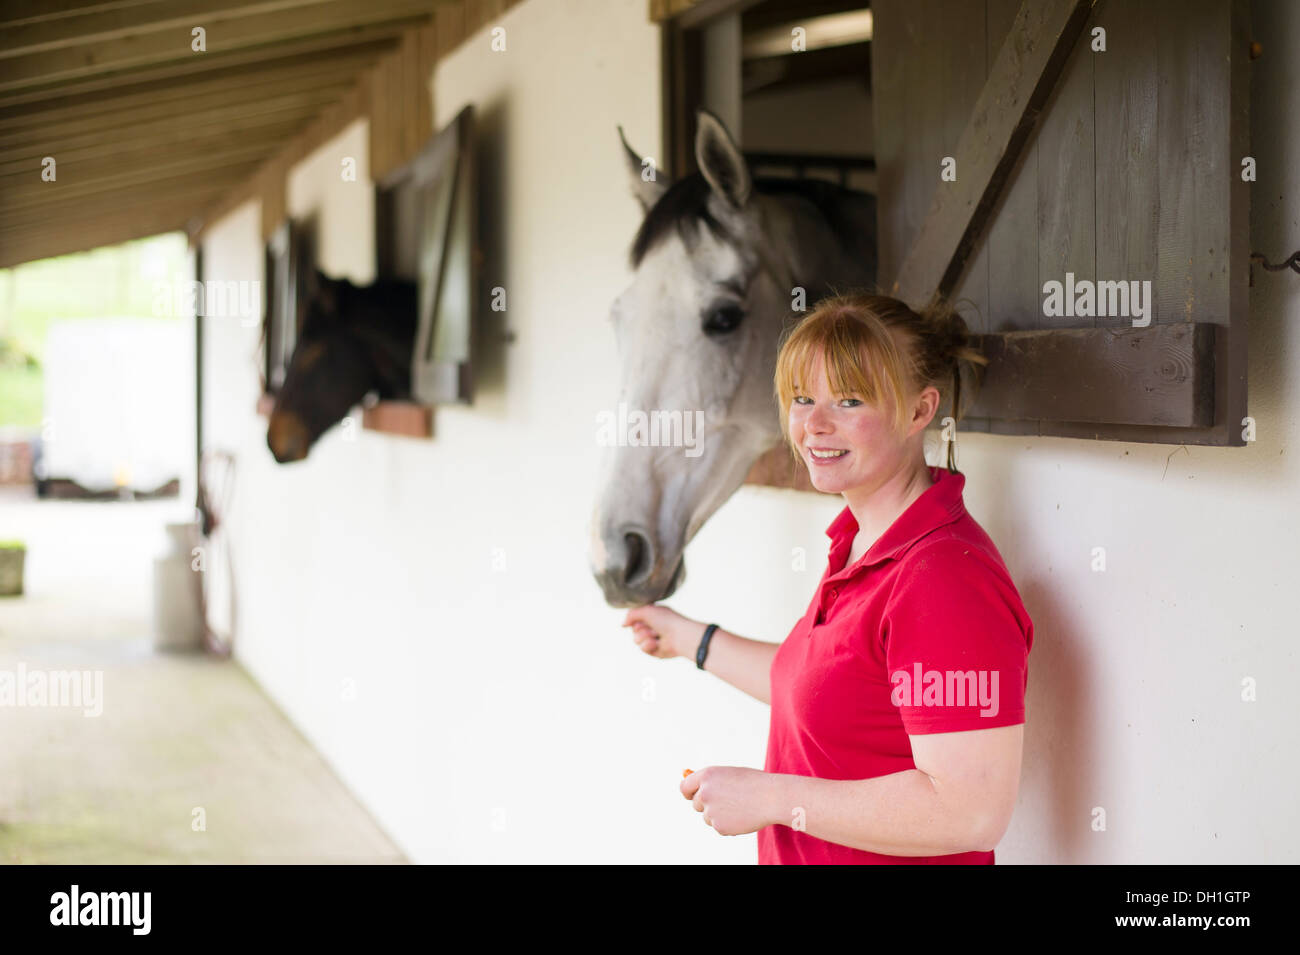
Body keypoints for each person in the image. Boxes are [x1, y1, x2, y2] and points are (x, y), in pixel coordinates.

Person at [623, 291, 1034, 864]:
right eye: (801, 398)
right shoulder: (859, 541)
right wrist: (688, 637)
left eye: (848, 400)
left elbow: (969, 812)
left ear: (919, 411)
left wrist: (768, 797)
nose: (813, 424)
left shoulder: (941, 578)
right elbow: (822, 688)